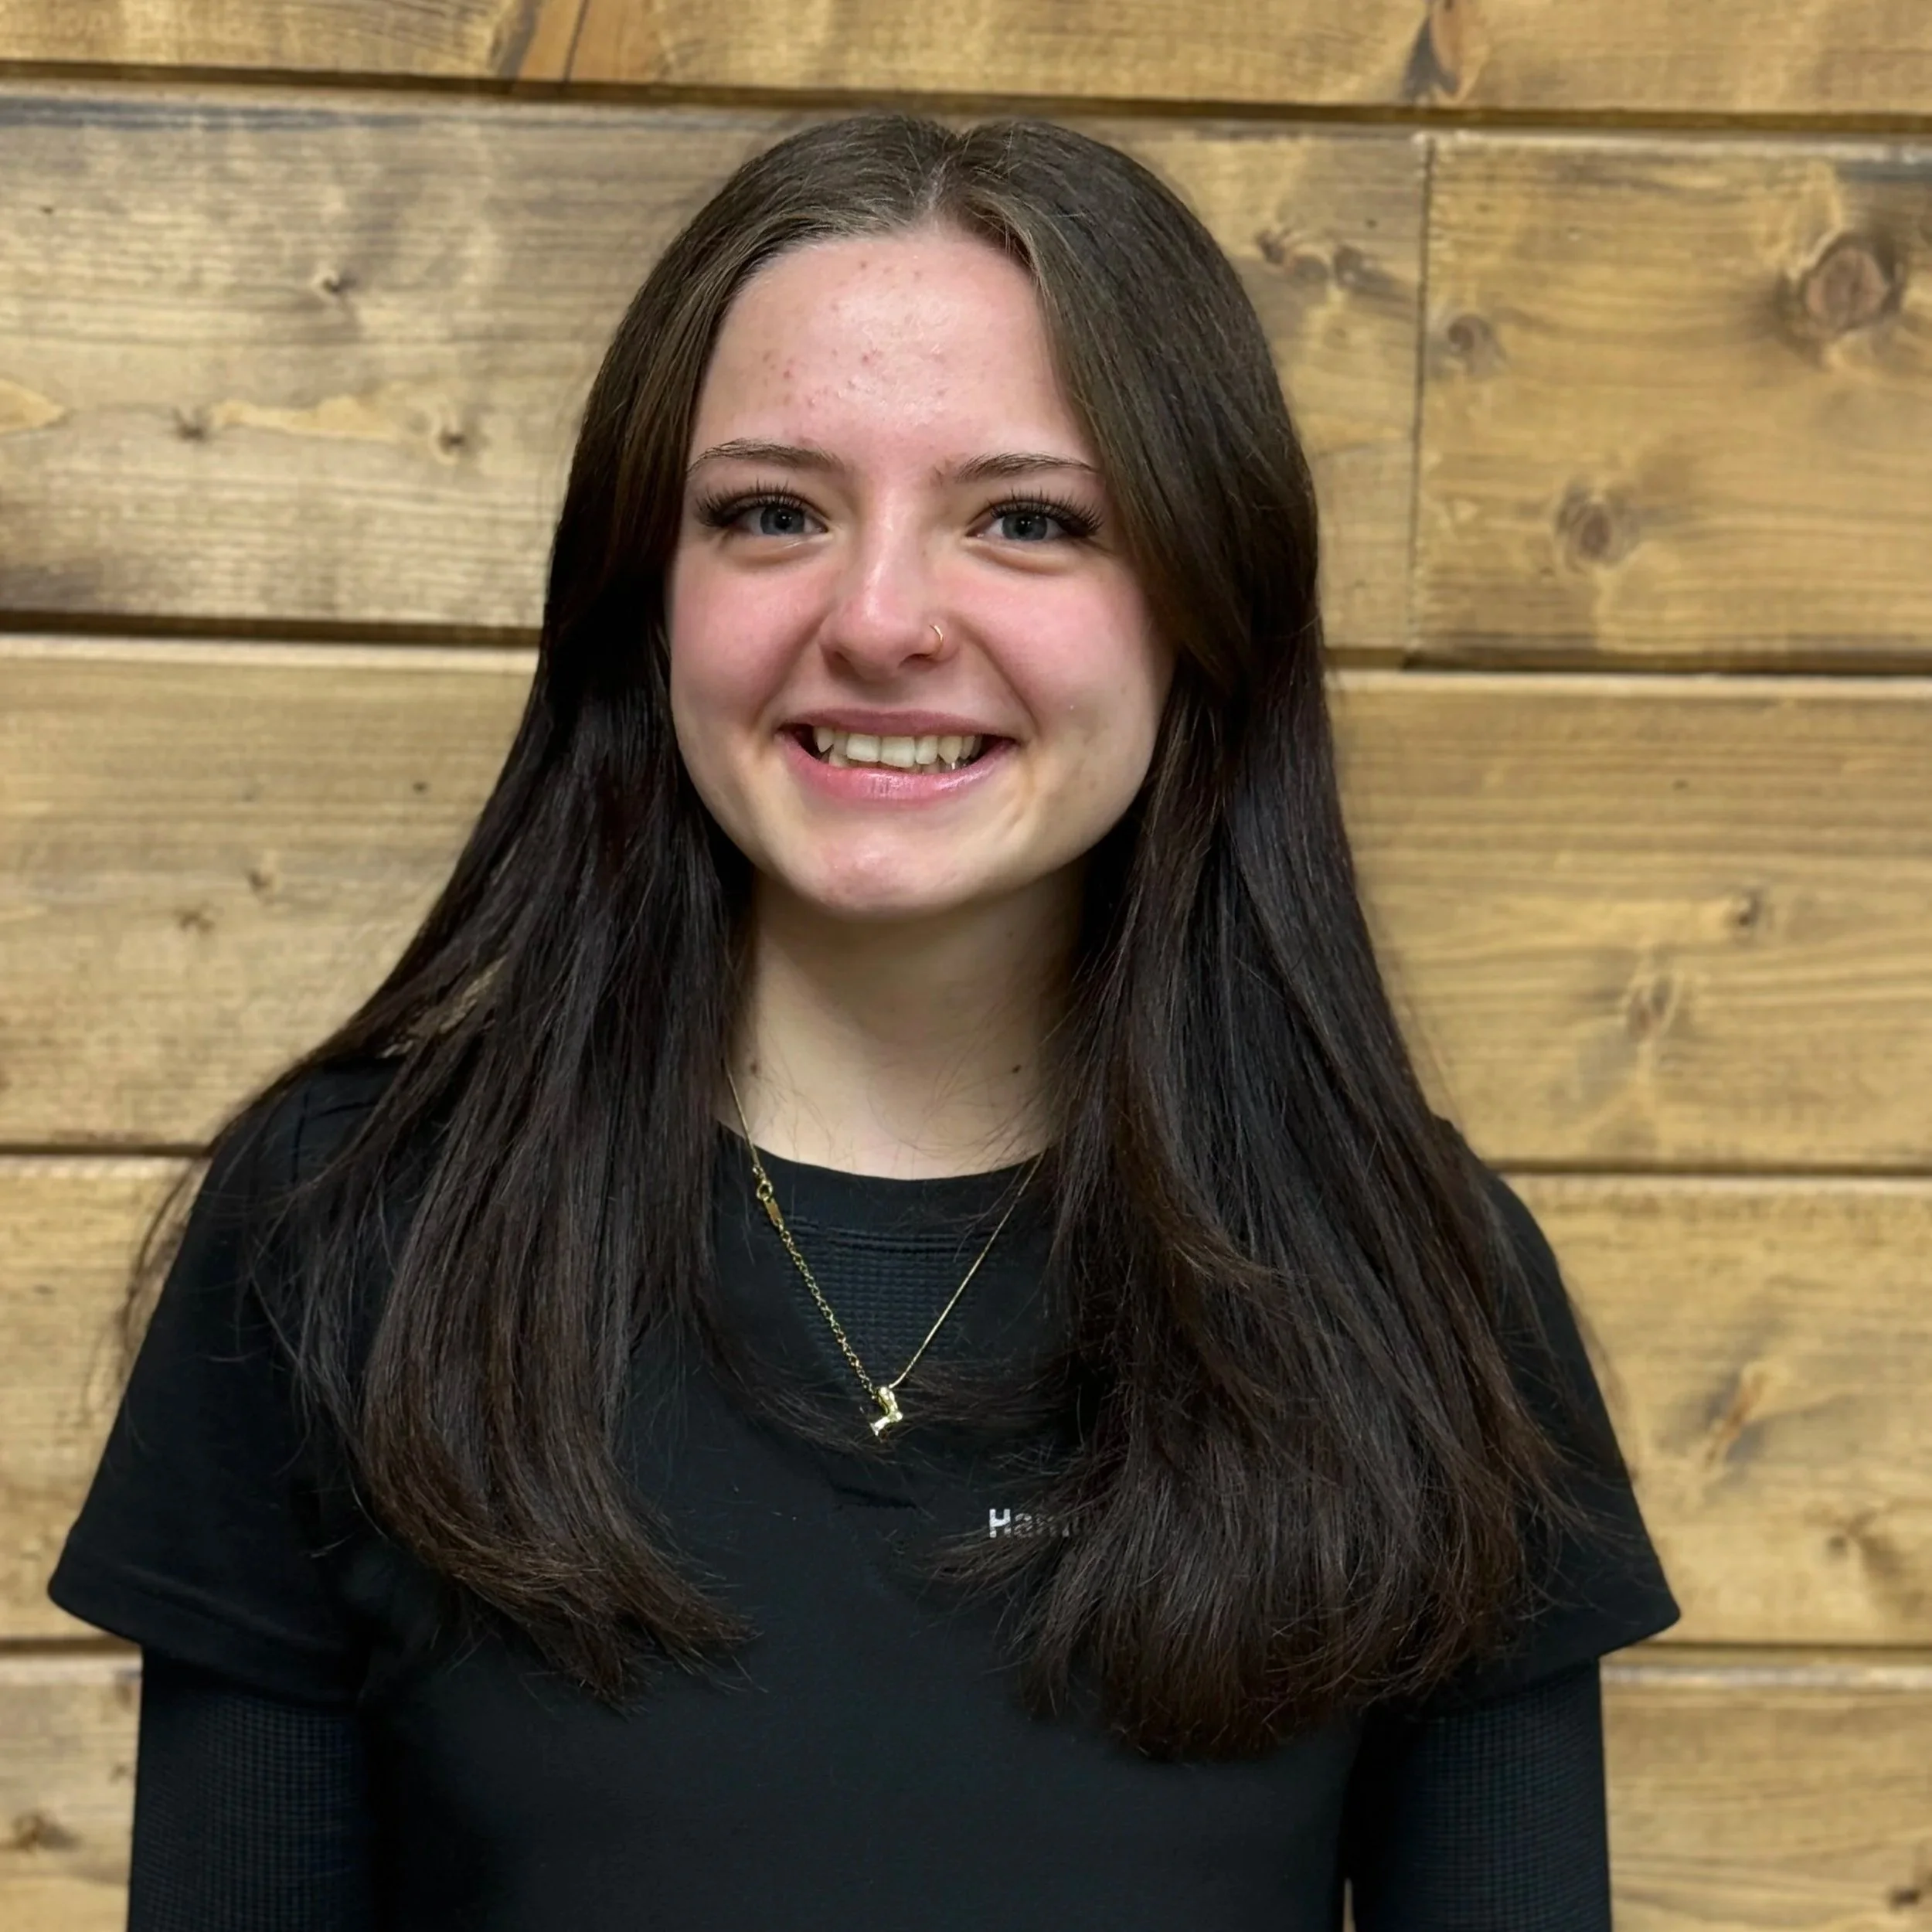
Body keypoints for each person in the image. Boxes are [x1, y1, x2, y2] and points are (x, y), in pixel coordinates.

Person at [52, 114, 1678, 1930]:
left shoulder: (1423, 1284)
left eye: (1027, 520)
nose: (881, 617)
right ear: (643, 597)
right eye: (771, 511)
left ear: (1201, 610)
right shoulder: (347, 1230)